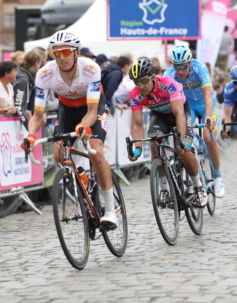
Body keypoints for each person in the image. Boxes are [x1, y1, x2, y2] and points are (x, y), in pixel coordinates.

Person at [25, 30, 118, 226]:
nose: (62, 57)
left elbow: (92, 111)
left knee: (96, 151)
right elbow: (37, 115)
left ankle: (110, 210)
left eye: (66, 52)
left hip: (92, 108)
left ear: (77, 52)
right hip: (67, 109)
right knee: (59, 154)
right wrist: (30, 136)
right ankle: (83, 182)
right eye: (57, 53)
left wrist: (83, 126)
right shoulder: (44, 74)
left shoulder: (90, 68)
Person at [127, 58, 208, 206]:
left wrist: (183, 141)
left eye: (144, 81)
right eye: (137, 82)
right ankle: (164, 189)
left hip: (180, 112)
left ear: (153, 76)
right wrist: (138, 147)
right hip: (159, 116)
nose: (141, 86)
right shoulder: (135, 95)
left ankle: (198, 186)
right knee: (155, 144)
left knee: (182, 150)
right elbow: (137, 124)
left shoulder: (167, 83)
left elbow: (179, 114)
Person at [164, 45, 225, 197]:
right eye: (176, 67)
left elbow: (208, 95)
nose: (179, 71)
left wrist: (209, 117)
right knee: (184, 141)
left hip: (206, 104)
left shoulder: (200, 68)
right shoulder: (169, 74)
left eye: (183, 67)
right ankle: (193, 175)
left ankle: (218, 177)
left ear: (190, 63)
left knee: (208, 138)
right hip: (188, 106)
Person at [13, 51, 42, 124]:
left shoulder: (27, 77)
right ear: (37, 62)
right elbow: (19, 107)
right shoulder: (23, 79)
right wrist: (29, 128)